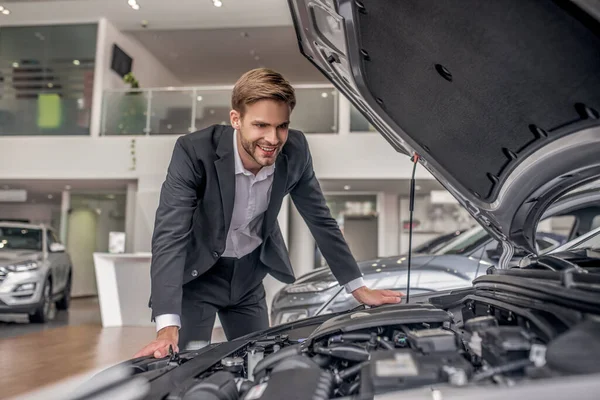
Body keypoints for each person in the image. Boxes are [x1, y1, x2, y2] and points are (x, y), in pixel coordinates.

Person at [134, 68, 403, 359]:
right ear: (235, 119)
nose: (273, 139)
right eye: (261, 125)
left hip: (249, 279)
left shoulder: (296, 150)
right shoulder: (194, 152)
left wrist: (358, 288)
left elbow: (320, 219)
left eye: (282, 126)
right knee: (187, 365)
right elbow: (170, 235)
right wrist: (167, 326)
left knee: (260, 363)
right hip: (199, 278)